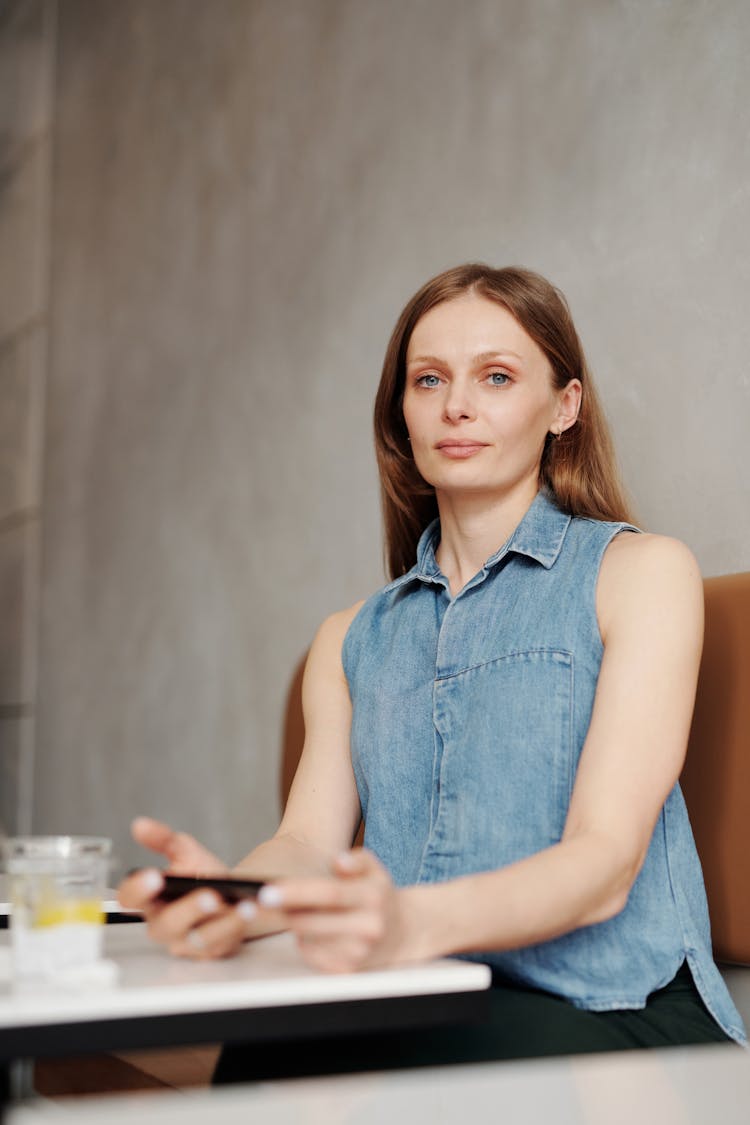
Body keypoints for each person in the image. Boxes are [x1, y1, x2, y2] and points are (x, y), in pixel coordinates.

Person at [119, 264, 745, 1079]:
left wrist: (409, 924)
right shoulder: (349, 638)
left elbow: (604, 862)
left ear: (564, 407)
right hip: (431, 998)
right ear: (402, 413)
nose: (458, 405)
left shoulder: (642, 573)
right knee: (264, 1053)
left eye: (496, 376)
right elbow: (307, 843)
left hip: (617, 1005)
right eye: (428, 379)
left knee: (380, 1059)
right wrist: (232, 899)